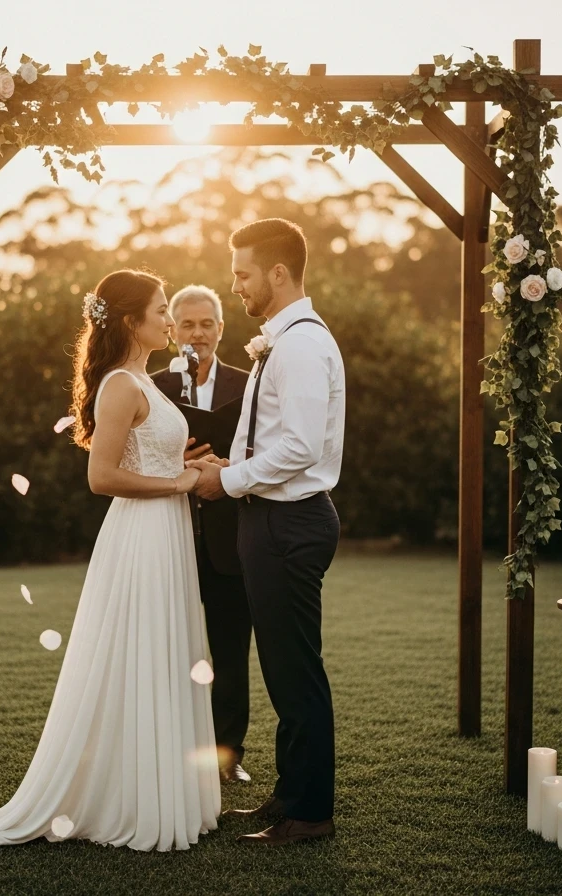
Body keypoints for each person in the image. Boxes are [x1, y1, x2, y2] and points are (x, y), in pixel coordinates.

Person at [0, 269, 221, 853]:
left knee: (161, 652)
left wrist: (188, 462)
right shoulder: (121, 383)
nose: (170, 320)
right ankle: (131, 800)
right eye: (162, 310)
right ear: (130, 321)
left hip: (166, 534)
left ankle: (157, 789)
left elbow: (150, 454)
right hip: (142, 538)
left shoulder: (144, 379)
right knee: (140, 652)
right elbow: (103, 477)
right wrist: (184, 481)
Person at [190, 218, 346, 846]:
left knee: (295, 669)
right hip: (268, 515)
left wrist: (225, 483)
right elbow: (277, 441)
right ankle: (288, 794)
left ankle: (311, 813)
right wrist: (234, 467)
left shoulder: (303, 344)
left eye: (243, 274)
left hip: (289, 521)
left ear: (277, 273)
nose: (236, 287)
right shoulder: (280, 340)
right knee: (282, 669)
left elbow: (303, 449)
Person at [151, 285, 254, 786]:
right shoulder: (151, 386)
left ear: (220, 328)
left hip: (229, 538)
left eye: (206, 323)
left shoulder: (250, 381)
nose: (197, 333)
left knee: (231, 651)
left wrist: (232, 469)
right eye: (186, 324)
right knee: (167, 648)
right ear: (171, 331)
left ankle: (228, 757)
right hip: (164, 535)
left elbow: (268, 448)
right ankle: (167, 752)